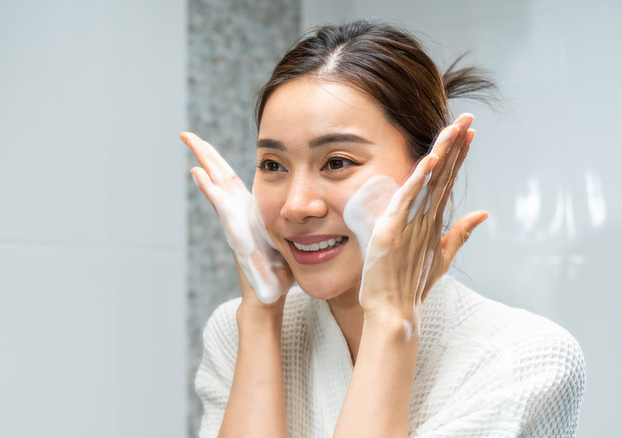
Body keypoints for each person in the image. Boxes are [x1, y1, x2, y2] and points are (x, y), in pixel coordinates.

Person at [182, 20, 585, 438]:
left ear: (433, 172)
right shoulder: (235, 332)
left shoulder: (526, 360)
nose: (296, 205)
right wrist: (260, 318)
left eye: (337, 162)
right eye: (273, 165)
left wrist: (391, 319)